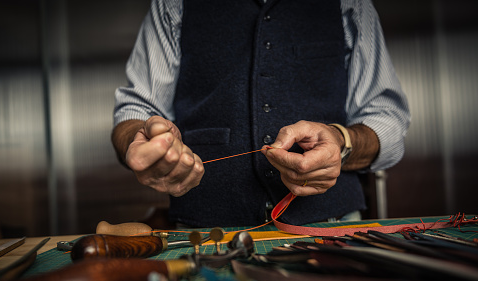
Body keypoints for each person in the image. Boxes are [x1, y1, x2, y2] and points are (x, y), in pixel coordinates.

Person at [112, 0, 410, 228]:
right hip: (204, 235)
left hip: (333, 229)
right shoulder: (172, 4)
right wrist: (136, 141)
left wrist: (343, 140)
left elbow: (386, 118)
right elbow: (137, 109)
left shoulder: (351, 3)